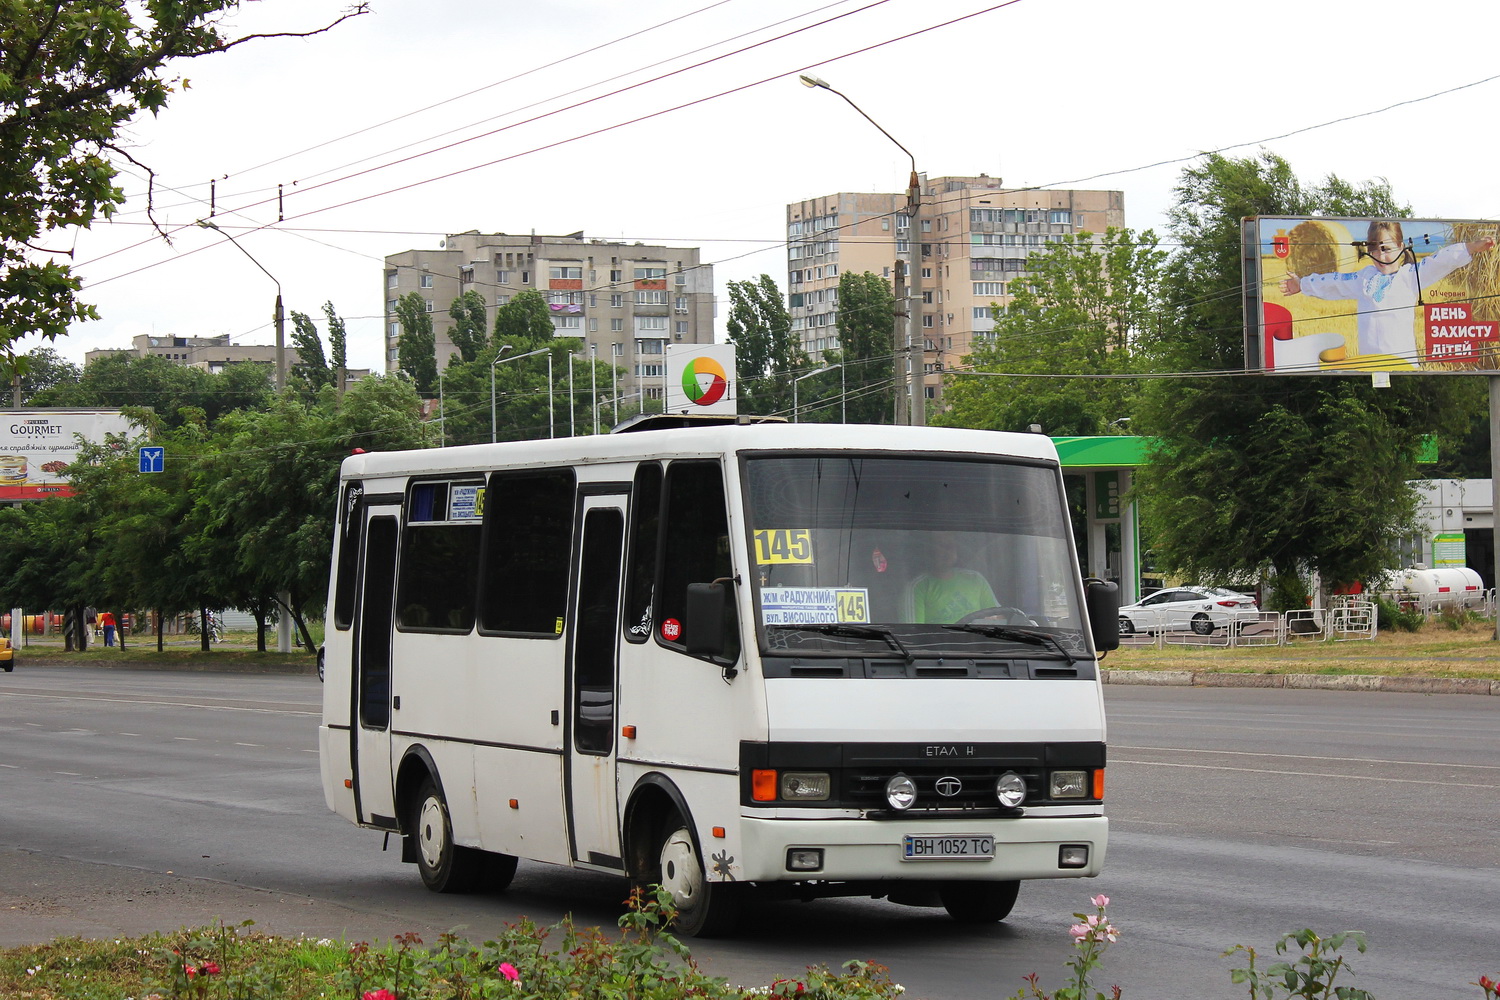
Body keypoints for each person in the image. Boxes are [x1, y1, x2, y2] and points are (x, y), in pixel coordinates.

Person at [1279, 221, 1495, 364]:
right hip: (1369, 364)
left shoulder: (1411, 277)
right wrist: (1303, 284)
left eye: (1386, 249)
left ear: (1401, 247)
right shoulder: (1362, 278)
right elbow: (1334, 282)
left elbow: (1440, 261)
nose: (1380, 256)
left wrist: (1470, 247)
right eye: (1374, 249)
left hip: (1403, 365)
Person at [909, 532, 999, 624]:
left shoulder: (975, 579)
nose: (948, 550)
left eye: (950, 545)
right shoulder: (917, 588)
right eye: (941, 545)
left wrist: (993, 619)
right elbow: (911, 633)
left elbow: (998, 617)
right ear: (928, 550)